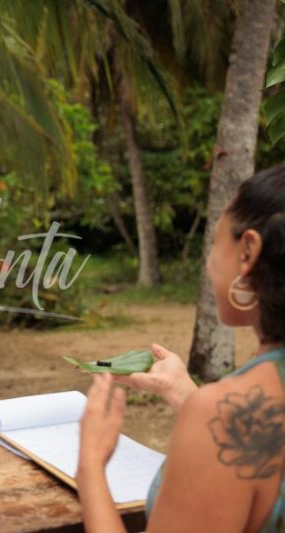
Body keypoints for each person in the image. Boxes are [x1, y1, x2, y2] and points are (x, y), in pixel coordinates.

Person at [77, 164, 285, 532]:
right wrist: (184, 392)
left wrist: (90, 466)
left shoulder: (227, 416)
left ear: (248, 252)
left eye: (215, 241)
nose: (209, 262)